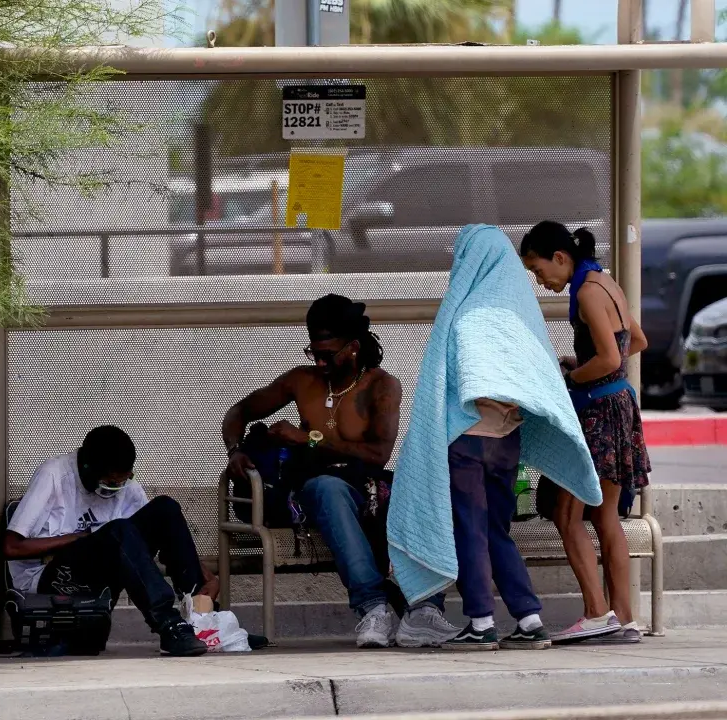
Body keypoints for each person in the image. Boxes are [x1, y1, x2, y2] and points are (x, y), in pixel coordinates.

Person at [388, 224, 603, 652]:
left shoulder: (470, 314)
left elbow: (466, 378)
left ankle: (481, 621)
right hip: (507, 441)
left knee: (469, 529)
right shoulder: (522, 317)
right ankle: (529, 618)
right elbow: (535, 380)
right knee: (497, 530)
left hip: (467, 439)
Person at [222, 294, 457, 649]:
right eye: (313, 352)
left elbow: (378, 454)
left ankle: (424, 609)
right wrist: (235, 451)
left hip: (365, 484)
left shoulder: (381, 386)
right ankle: (372, 606)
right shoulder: (301, 380)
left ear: (353, 348)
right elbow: (238, 412)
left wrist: (309, 439)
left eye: (327, 354)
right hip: (313, 489)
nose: (319, 362)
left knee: (420, 491)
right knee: (326, 488)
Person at [521, 221, 651, 645]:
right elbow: (637, 341)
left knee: (566, 513)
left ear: (560, 257)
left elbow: (611, 358)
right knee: (605, 515)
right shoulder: (605, 283)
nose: (540, 281)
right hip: (620, 406)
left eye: (539, 270)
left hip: (597, 412)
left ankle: (597, 614)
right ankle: (624, 619)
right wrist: (587, 362)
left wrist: (573, 376)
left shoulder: (586, 293)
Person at [4, 425, 217, 657]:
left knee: (166, 509)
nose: (116, 489)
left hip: (100, 569)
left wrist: (203, 573)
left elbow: (155, 539)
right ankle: (169, 626)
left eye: (122, 482)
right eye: (110, 484)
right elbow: (11, 547)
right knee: (119, 530)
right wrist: (74, 538)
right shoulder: (54, 475)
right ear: (88, 470)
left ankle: (202, 616)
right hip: (50, 576)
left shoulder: (126, 485)